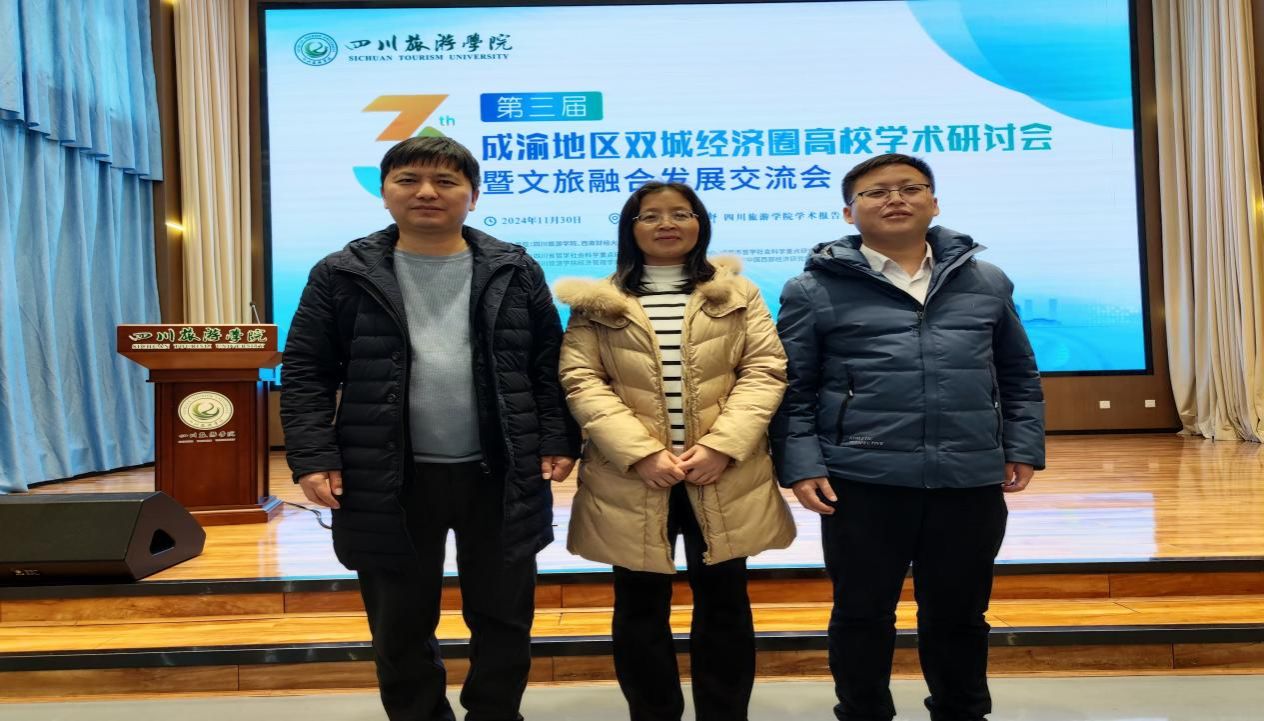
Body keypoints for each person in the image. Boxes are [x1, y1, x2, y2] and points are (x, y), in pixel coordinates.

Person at [280, 135, 580, 721]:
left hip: (501, 473)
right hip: (386, 476)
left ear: (473, 195)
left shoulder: (514, 268)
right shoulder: (341, 273)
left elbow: (548, 363)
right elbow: (307, 371)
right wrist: (313, 455)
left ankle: (496, 714)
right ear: (384, 192)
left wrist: (556, 437)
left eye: (445, 181)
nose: (426, 192)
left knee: (504, 615)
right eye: (408, 179)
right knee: (400, 621)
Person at [770, 153, 1046, 721]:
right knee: (861, 614)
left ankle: (962, 711)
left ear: (934, 203)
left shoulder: (987, 281)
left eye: (910, 188)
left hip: (967, 477)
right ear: (849, 212)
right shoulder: (812, 289)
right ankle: (863, 712)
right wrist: (801, 464)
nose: (895, 199)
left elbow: (1018, 373)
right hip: (861, 478)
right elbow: (793, 388)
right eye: (876, 192)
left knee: (960, 614)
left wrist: (1022, 446)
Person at [555, 181, 796, 721]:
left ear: (699, 224)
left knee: (725, 605)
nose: (667, 224)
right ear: (631, 228)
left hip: (722, 475)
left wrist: (721, 447)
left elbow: (764, 370)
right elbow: (581, 379)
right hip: (633, 478)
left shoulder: (738, 293)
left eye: (681, 213)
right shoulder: (599, 302)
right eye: (651, 216)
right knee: (639, 609)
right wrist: (640, 454)